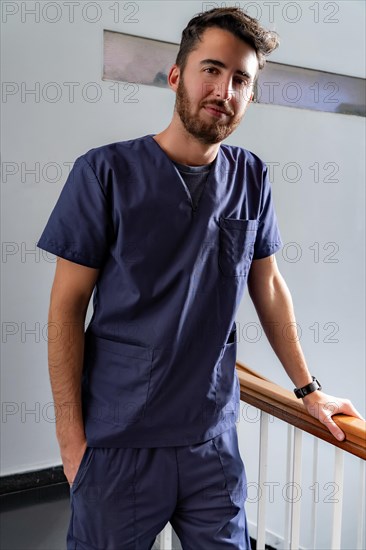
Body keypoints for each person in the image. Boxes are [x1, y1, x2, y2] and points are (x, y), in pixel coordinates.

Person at [37, 7, 363, 550]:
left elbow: (269, 285)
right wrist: (72, 442)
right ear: (176, 76)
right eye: (211, 70)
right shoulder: (103, 174)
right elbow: (65, 308)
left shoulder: (251, 176)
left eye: (241, 79)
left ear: (251, 96)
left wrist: (309, 389)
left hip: (211, 439)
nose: (224, 90)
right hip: (120, 442)